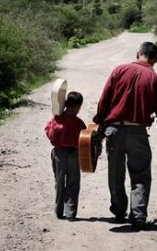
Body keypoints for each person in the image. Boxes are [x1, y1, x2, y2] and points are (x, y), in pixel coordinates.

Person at [93, 41, 157, 230]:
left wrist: (99, 124)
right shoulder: (156, 80)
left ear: (138, 54)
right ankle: (138, 216)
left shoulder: (119, 70)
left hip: (114, 130)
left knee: (115, 172)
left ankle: (119, 210)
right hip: (138, 132)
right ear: (156, 59)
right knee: (141, 173)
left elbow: (104, 100)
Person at [45, 91, 87, 221]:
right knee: (73, 182)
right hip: (74, 154)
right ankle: (71, 212)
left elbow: (49, 132)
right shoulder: (79, 123)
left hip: (59, 153)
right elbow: (85, 140)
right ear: (78, 107)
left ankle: (59, 210)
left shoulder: (56, 118)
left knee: (59, 181)